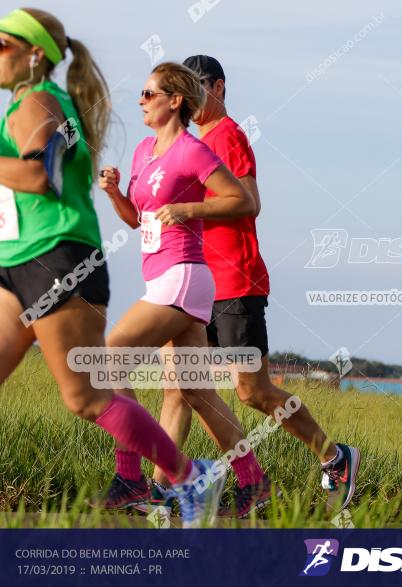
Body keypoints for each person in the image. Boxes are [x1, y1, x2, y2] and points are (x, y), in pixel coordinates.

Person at [0, 8, 222, 528]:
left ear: (36, 55)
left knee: (88, 396)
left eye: (3, 44)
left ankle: (188, 478)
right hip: (18, 261)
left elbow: (41, 176)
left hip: (57, 260)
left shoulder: (36, 101)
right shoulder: (34, 103)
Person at [130, 55, 360, 518]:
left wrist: (189, 211)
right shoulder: (186, 142)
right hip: (194, 281)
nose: (194, 97)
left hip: (235, 278)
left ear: (219, 87)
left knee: (252, 392)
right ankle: (161, 494)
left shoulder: (226, 136)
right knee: (178, 388)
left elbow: (248, 202)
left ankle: (334, 457)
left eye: (201, 87)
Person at [96, 61, 269, 522]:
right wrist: (116, 194)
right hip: (162, 276)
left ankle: (130, 476)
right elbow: (138, 219)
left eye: (149, 93)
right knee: (197, 392)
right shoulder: (142, 152)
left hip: (185, 275)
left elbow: (244, 200)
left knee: (111, 353)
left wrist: (188, 208)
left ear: (175, 100)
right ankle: (254, 483)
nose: (140, 100)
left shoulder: (194, 151)